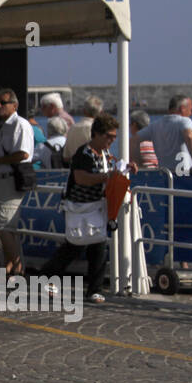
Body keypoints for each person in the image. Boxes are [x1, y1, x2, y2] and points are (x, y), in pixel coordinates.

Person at [40, 113, 135, 304]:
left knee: (98, 247)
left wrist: (125, 170)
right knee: (75, 245)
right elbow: (80, 178)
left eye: (114, 137)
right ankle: (48, 276)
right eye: (108, 136)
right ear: (97, 134)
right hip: (81, 207)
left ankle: (94, 289)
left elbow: (112, 172)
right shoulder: (84, 154)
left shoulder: (106, 155)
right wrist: (105, 177)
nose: (111, 140)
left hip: (97, 207)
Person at [0, 88, 33, 277]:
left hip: (11, 180)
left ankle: (17, 270)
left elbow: (23, 154)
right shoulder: (6, 126)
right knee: (5, 227)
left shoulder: (20, 124)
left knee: (4, 226)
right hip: (2, 180)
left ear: (14, 105)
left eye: (3, 102)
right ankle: (10, 267)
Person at [145, 94, 192, 175]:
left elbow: (134, 139)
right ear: (182, 109)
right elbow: (190, 137)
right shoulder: (184, 121)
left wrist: (139, 165)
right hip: (185, 175)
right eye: (190, 110)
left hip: (165, 176)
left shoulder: (155, 125)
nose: (191, 113)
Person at [62, 96, 104, 163]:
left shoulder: (72, 128)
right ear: (101, 112)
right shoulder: (99, 130)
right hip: (95, 171)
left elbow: (66, 157)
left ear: (84, 111)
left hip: (74, 170)